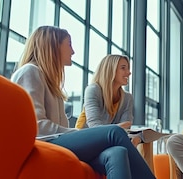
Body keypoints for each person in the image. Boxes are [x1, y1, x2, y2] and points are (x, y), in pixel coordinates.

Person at [10, 26, 154, 179]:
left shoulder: (50, 83)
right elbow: (37, 127)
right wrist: (78, 133)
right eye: (69, 44)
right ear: (53, 46)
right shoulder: (30, 72)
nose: (73, 51)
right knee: (114, 132)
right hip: (43, 143)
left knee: (118, 152)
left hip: (56, 141)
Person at [75, 54, 133, 130]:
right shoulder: (93, 90)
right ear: (110, 70)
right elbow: (94, 126)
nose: (129, 73)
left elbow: (126, 127)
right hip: (83, 136)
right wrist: (118, 127)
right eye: (123, 68)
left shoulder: (127, 98)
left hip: (109, 138)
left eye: (128, 68)